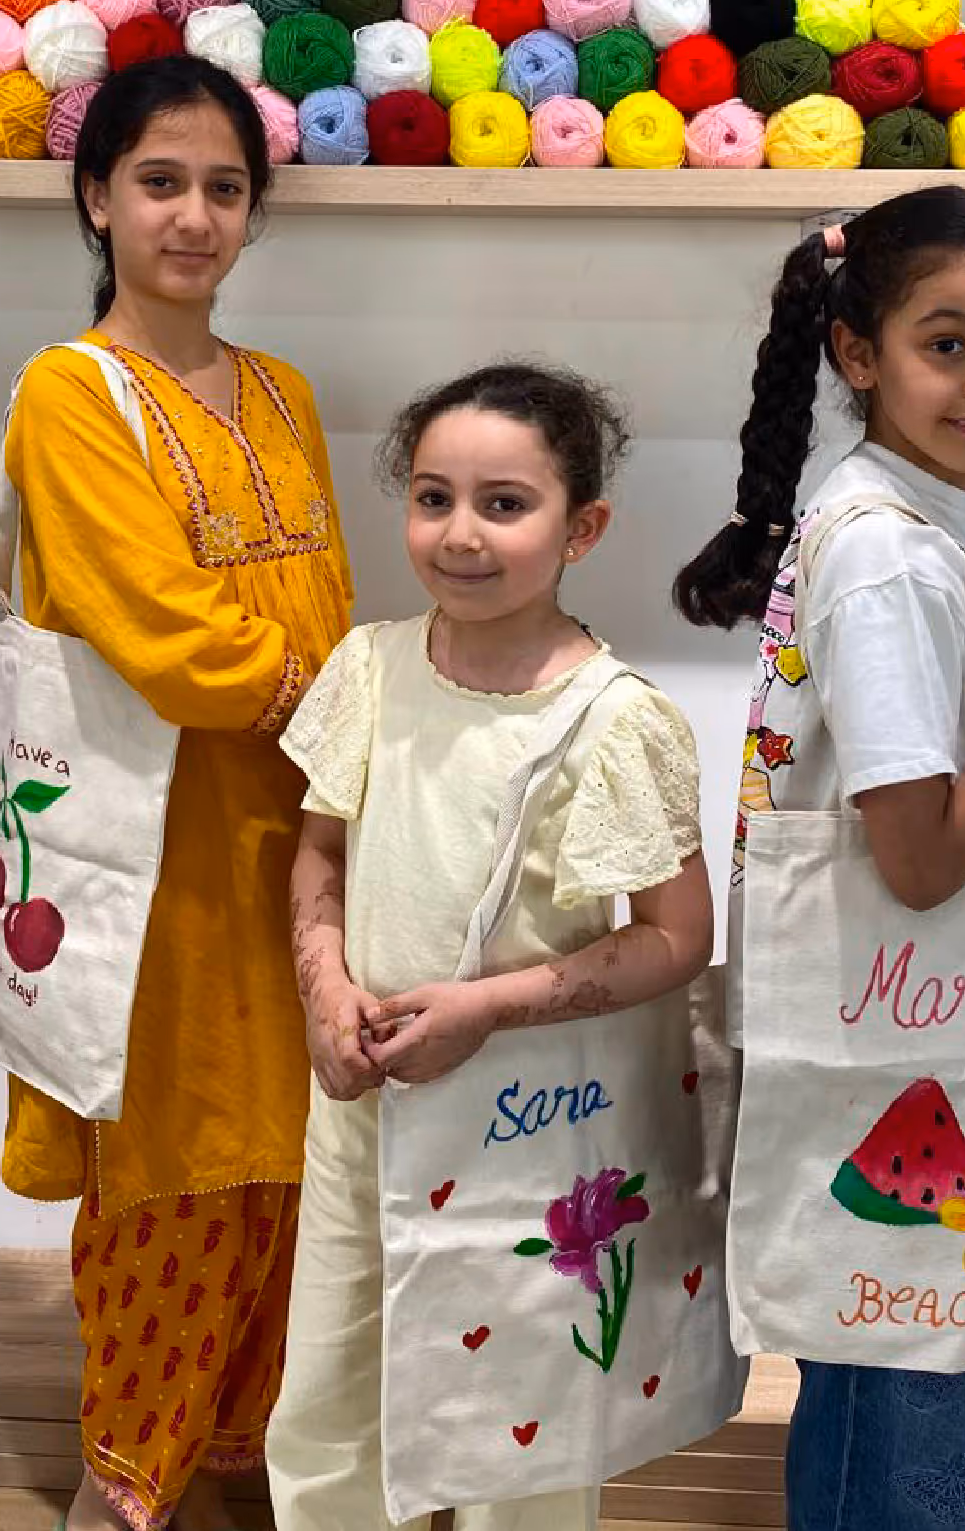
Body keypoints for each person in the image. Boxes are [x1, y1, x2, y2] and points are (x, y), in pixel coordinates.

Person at [673, 184, 965, 1531]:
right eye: (948, 342)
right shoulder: (891, 559)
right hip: (900, 1035)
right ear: (857, 351)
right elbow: (914, 856)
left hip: (927, 1032)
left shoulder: (911, 512)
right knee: (919, 1396)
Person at [0, 56, 354, 1531]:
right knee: (173, 1165)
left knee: (289, 1165)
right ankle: (124, 1483)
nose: (192, 216)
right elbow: (169, 640)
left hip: (300, 842)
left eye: (222, 188)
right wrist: (357, 712)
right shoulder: (68, 393)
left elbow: (328, 600)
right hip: (151, 864)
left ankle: (235, 1467)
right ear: (96, 196)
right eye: (159, 182)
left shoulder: (283, 392)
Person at [266, 363, 715, 1530]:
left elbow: (674, 937)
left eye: (503, 503)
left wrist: (486, 1007)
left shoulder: (616, 720)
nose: (459, 534)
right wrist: (324, 991)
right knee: (331, 1381)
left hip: (524, 1129)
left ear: (583, 526)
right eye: (431, 497)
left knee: (524, 1398)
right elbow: (317, 853)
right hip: (358, 1104)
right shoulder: (367, 667)